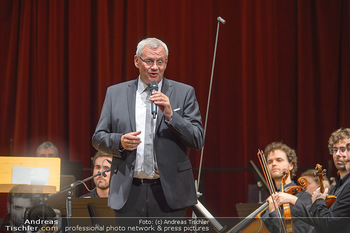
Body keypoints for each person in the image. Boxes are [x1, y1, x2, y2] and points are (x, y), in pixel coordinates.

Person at [92, 37, 204, 218]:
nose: (155, 67)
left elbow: (197, 139)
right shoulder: (115, 93)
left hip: (169, 194)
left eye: (160, 62)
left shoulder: (184, 93)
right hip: (128, 192)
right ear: (137, 61)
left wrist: (171, 115)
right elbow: (98, 138)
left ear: (166, 63)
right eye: (149, 61)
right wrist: (119, 141)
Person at [273, 128, 350, 233]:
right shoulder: (335, 186)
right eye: (335, 150)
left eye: (343, 149)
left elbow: (330, 223)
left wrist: (318, 200)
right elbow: (318, 220)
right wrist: (292, 200)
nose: (338, 154)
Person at [261, 141, 312, 233]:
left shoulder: (303, 197)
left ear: (291, 165)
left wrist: (274, 212)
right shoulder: (270, 200)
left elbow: (299, 231)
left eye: (279, 160)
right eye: (270, 162)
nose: (273, 164)